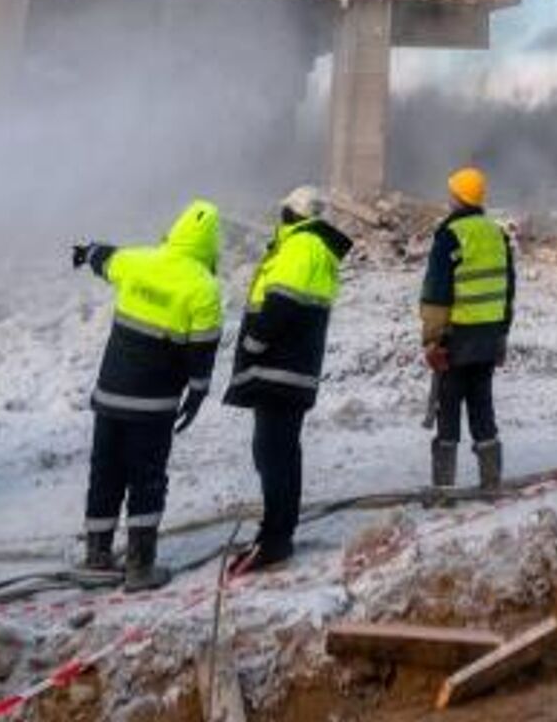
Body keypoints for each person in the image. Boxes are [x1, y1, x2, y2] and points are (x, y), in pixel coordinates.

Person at [72, 199, 222, 591]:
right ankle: (140, 566)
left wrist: (86, 251)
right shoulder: (203, 288)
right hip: (154, 407)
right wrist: (198, 394)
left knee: (105, 473)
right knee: (146, 479)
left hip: (110, 396)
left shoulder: (137, 260)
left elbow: (105, 258)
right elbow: (203, 351)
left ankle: (97, 555)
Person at [222, 184, 352, 572]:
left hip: (279, 368)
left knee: (273, 453)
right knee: (280, 451)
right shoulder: (313, 247)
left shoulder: (300, 247)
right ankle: (278, 532)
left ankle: (276, 538)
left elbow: (283, 301)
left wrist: (255, 341)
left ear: (291, 214)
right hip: (292, 370)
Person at [419, 165, 515, 492]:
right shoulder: (497, 234)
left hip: (456, 339)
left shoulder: (450, 236)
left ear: (458, 197)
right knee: (482, 407)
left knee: (448, 412)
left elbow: (436, 293)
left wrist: (432, 341)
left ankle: (443, 489)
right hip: (488, 339)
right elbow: (507, 290)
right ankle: (491, 483)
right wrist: (502, 334)